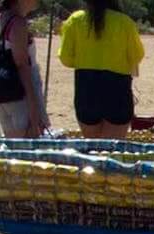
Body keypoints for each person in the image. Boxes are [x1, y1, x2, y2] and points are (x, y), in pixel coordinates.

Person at [58, 0, 142, 139]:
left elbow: (65, 58)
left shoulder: (75, 20)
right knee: (113, 150)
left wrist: (86, 59)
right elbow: (136, 56)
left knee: (92, 149)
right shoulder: (125, 22)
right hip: (117, 90)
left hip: (86, 89)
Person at [0, 0, 46, 138]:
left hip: (3, 92)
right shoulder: (18, 23)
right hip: (20, 93)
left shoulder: (0, 18)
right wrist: (34, 109)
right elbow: (22, 66)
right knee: (27, 145)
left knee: (12, 143)